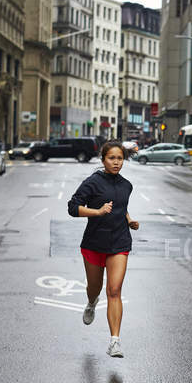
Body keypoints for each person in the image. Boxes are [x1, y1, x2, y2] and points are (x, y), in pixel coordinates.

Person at [67, 141, 139, 358]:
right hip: (94, 243)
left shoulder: (127, 185)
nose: (116, 163)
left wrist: (129, 220)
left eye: (120, 159)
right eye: (112, 158)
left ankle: (114, 342)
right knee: (95, 288)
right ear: (103, 160)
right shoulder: (92, 183)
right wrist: (97, 212)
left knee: (114, 291)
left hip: (119, 242)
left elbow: (121, 207)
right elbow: (72, 207)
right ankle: (91, 303)